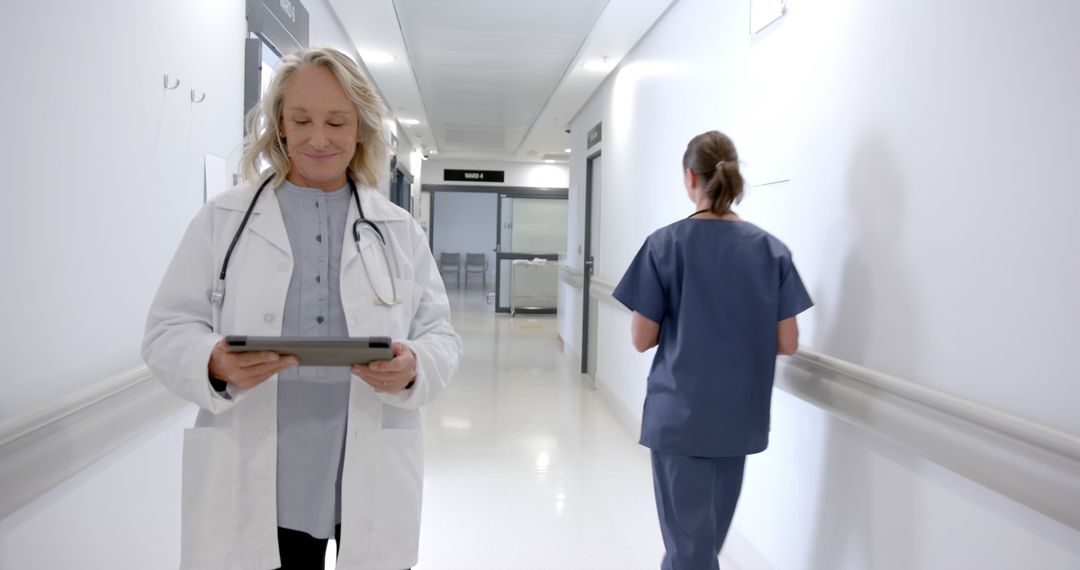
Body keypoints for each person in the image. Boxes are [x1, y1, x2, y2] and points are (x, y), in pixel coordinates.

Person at [142, 47, 462, 570]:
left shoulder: (398, 229)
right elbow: (166, 330)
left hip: (366, 468)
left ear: (359, 128)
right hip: (259, 478)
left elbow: (441, 337)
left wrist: (413, 367)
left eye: (336, 121)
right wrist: (212, 360)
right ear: (280, 126)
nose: (319, 138)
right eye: (302, 120)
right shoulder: (222, 220)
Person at [612, 130, 813, 569]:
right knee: (703, 547)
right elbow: (788, 341)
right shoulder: (770, 250)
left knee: (690, 551)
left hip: (680, 418)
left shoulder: (665, 245)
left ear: (690, 178)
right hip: (738, 418)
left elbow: (641, 338)